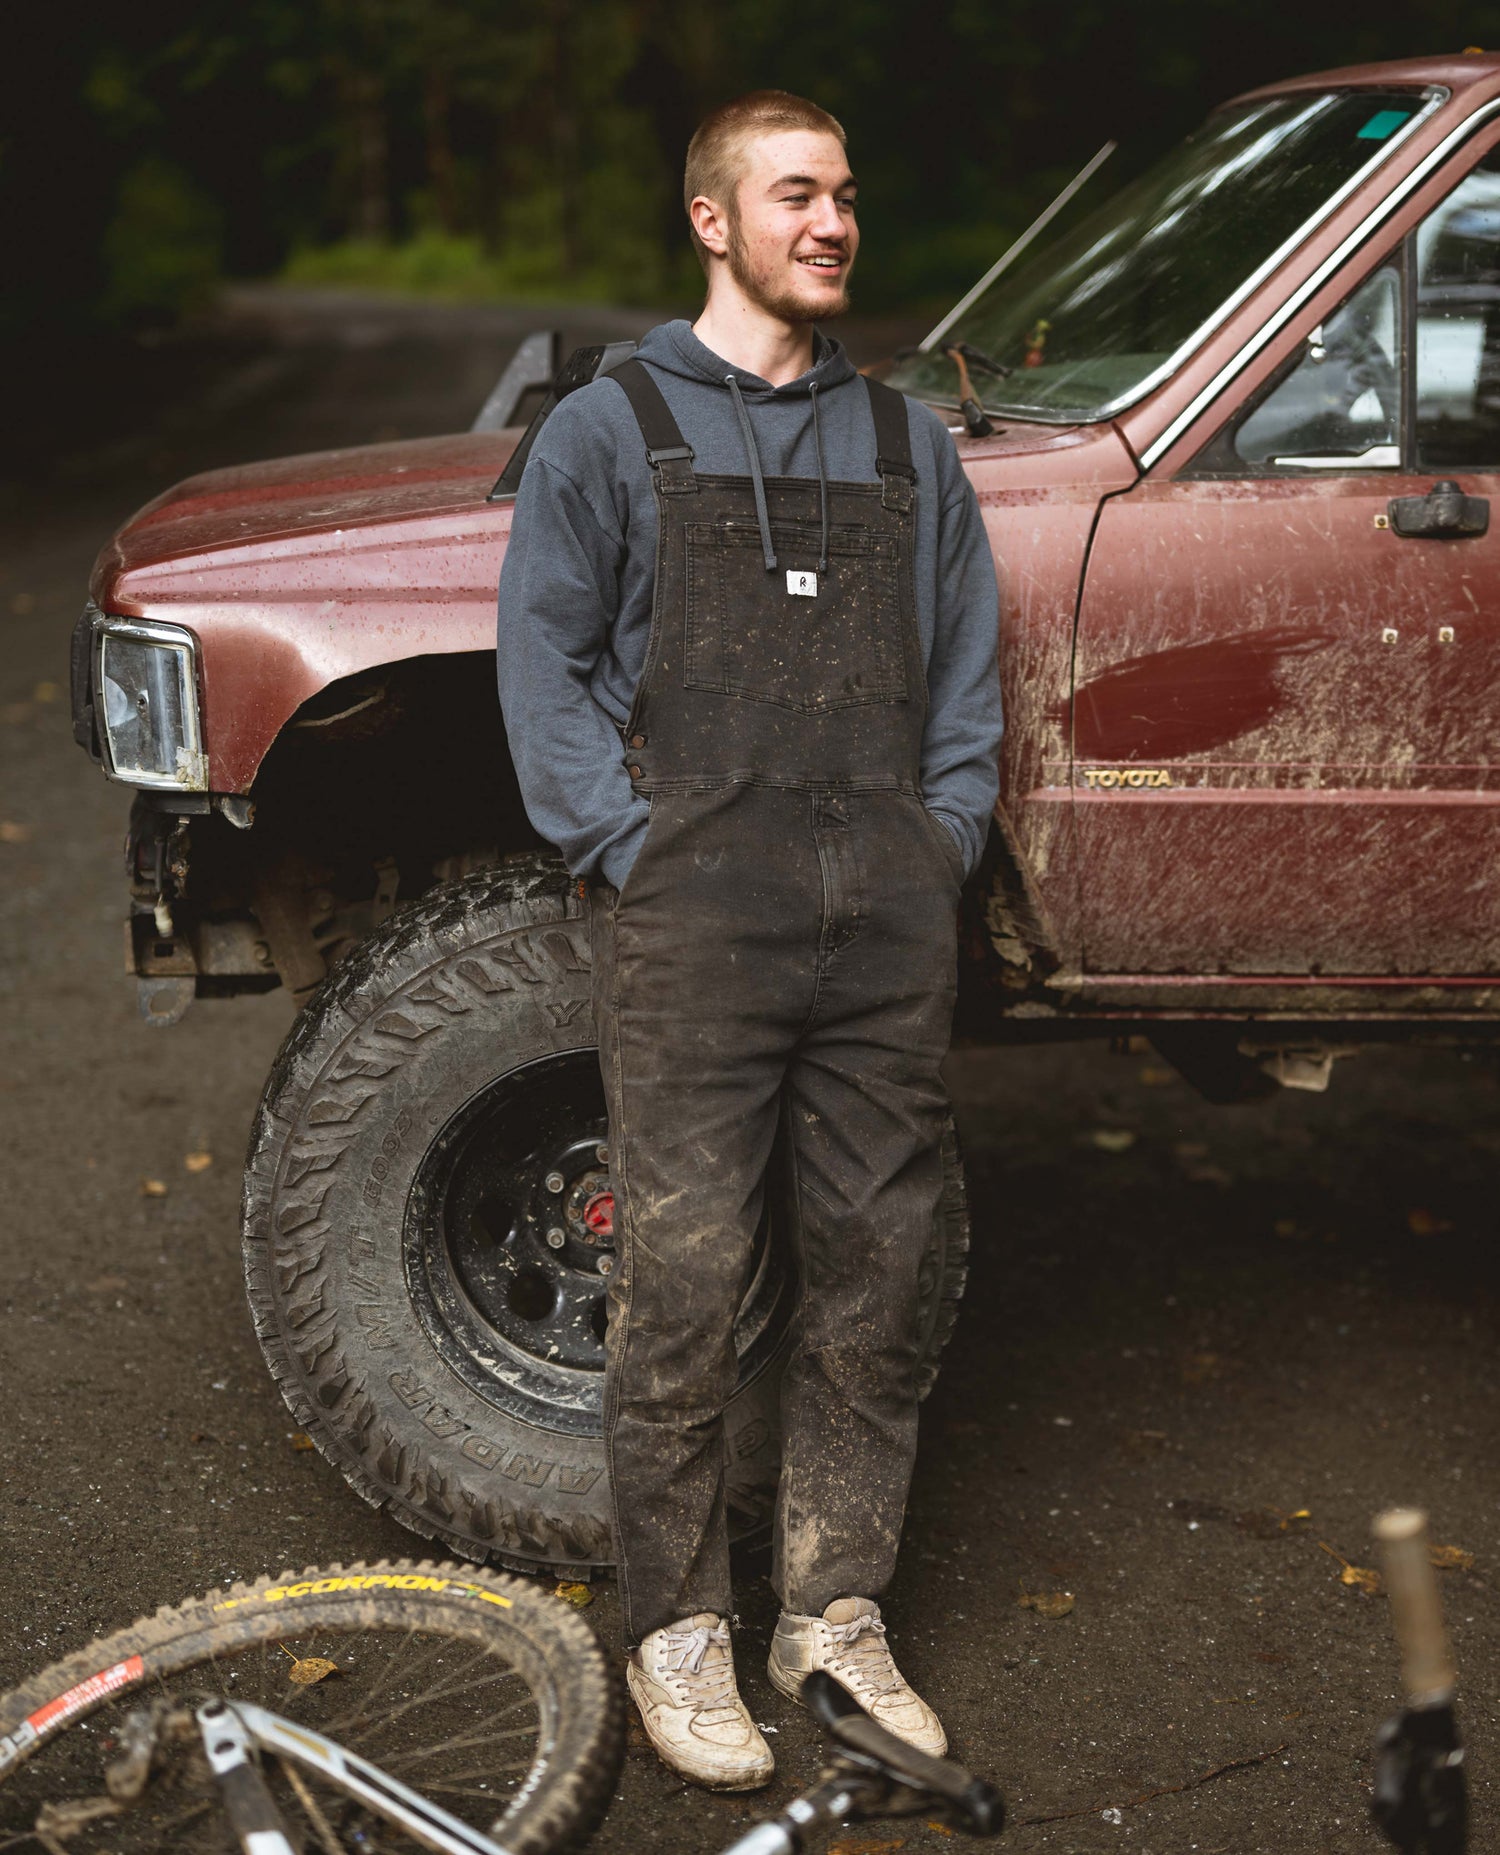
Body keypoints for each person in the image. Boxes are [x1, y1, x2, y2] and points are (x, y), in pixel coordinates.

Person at [496, 89, 1002, 1791]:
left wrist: (943, 838)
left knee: (879, 1276)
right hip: (693, 920)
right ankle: (677, 1627)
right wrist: (629, 851)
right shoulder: (612, 426)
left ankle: (833, 1617)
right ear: (714, 221)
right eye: (798, 195)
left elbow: (966, 674)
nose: (835, 222)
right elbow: (541, 668)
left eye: (848, 194)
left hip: (881, 921)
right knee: (687, 1284)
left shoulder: (906, 441)